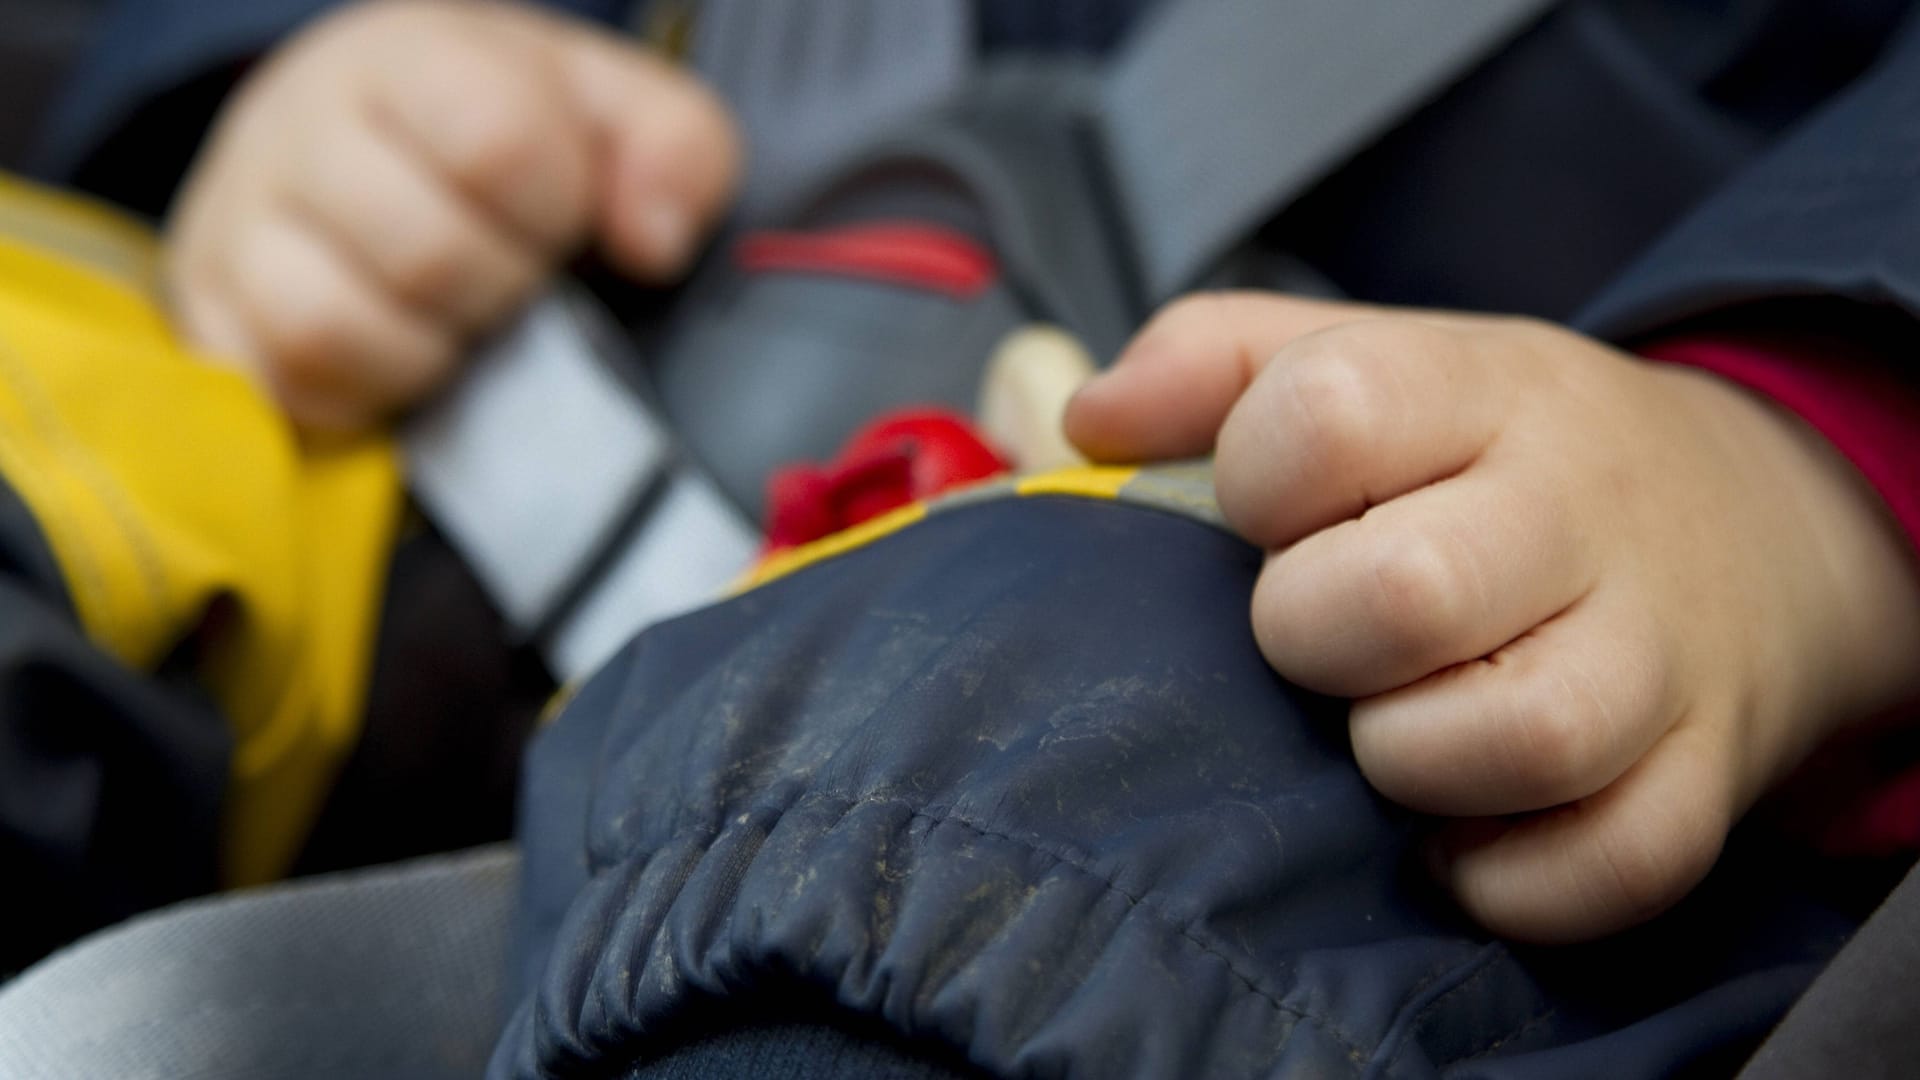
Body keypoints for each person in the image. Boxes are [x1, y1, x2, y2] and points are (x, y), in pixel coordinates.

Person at [4, 0, 1919, 1070]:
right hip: (519, 350)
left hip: (1407, 568)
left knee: (1037, 825)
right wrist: (292, 79)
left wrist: (1813, 471)